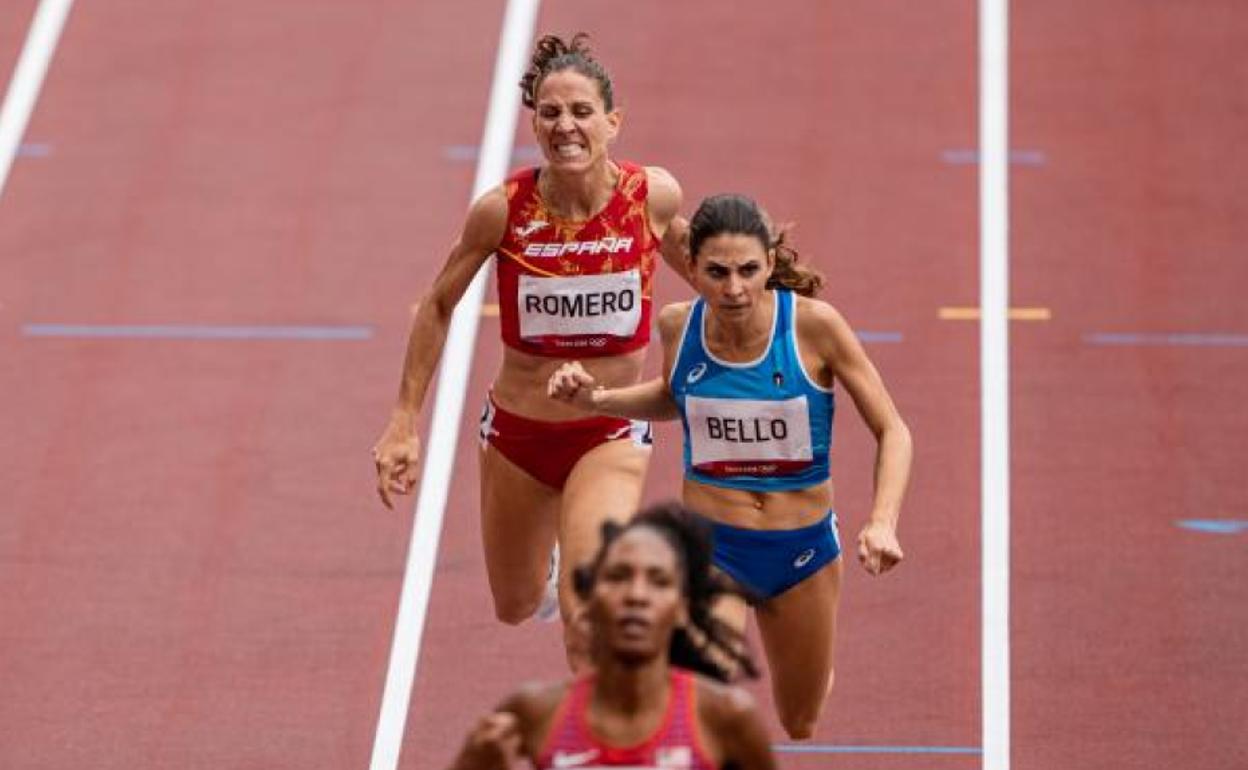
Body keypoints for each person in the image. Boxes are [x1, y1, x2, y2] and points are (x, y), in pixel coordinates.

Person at [547, 193, 913, 739]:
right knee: (699, 697)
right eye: (717, 272)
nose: (734, 288)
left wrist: (882, 520)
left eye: (748, 270)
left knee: (800, 720)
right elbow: (676, 397)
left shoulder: (814, 328)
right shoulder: (679, 326)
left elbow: (893, 429)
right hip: (712, 548)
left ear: (770, 262)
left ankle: (808, 657)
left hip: (801, 549)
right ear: (691, 268)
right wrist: (598, 400)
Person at [372, 33, 685, 666]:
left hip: (609, 434)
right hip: (518, 438)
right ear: (534, 123)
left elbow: (717, 275)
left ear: (613, 121)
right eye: (550, 113)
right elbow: (437, 305)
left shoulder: (649, 197)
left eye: (581, 112)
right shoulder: (503, 211)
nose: (566, 126)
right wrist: (404, 422)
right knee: (514, 604)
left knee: (587, 617)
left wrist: (789, 324)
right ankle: (548, 571)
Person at [448, 502, 777, 770]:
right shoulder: (536, 713)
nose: (636, 595)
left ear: (681, 608)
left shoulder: (726, 717)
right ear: (589, 602)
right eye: (618, 577)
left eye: (659, 581)